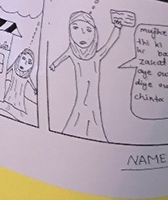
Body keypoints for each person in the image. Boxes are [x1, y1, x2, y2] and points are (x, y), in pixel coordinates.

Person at [49, 10, 133, 142]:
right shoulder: (73, 52)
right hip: (81, 94)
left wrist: (117, 27)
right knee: (80, 106)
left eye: (88, 30)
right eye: (75, 28)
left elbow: (110, 43)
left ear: (94, 33)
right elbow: (62, 57)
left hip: (92, 94)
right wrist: (54, 64)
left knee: (93, 110)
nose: (82, 35)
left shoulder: (96, 56)